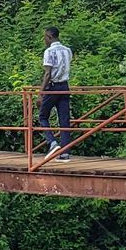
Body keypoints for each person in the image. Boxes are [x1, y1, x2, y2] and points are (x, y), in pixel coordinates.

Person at [40, 26, 73, 161]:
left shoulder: (49, 51)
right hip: (65, 86)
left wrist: (41, 93)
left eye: (45, 38)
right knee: (64, 120)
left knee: (43, 116)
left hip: (53, 87)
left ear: (49, 37)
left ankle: (52, 142)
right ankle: (65, 152)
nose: (44, 40)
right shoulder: (67, 50)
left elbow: (48, 74)